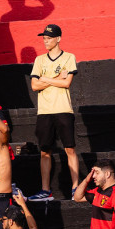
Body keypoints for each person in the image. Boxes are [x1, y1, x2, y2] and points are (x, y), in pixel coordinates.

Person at [28, 24, 80, 201]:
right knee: (45, 151)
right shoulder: (39, 60)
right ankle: (45, 190)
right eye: (44, 38)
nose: (46, 41)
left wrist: (45, 78)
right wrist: (57, 78)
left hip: (63, 109)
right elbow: (34, 86)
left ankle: (75, 188)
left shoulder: (69, 57)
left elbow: (67, 83)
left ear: (58, 38)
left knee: (70, 149)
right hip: (45, 111)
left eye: (49, 38)